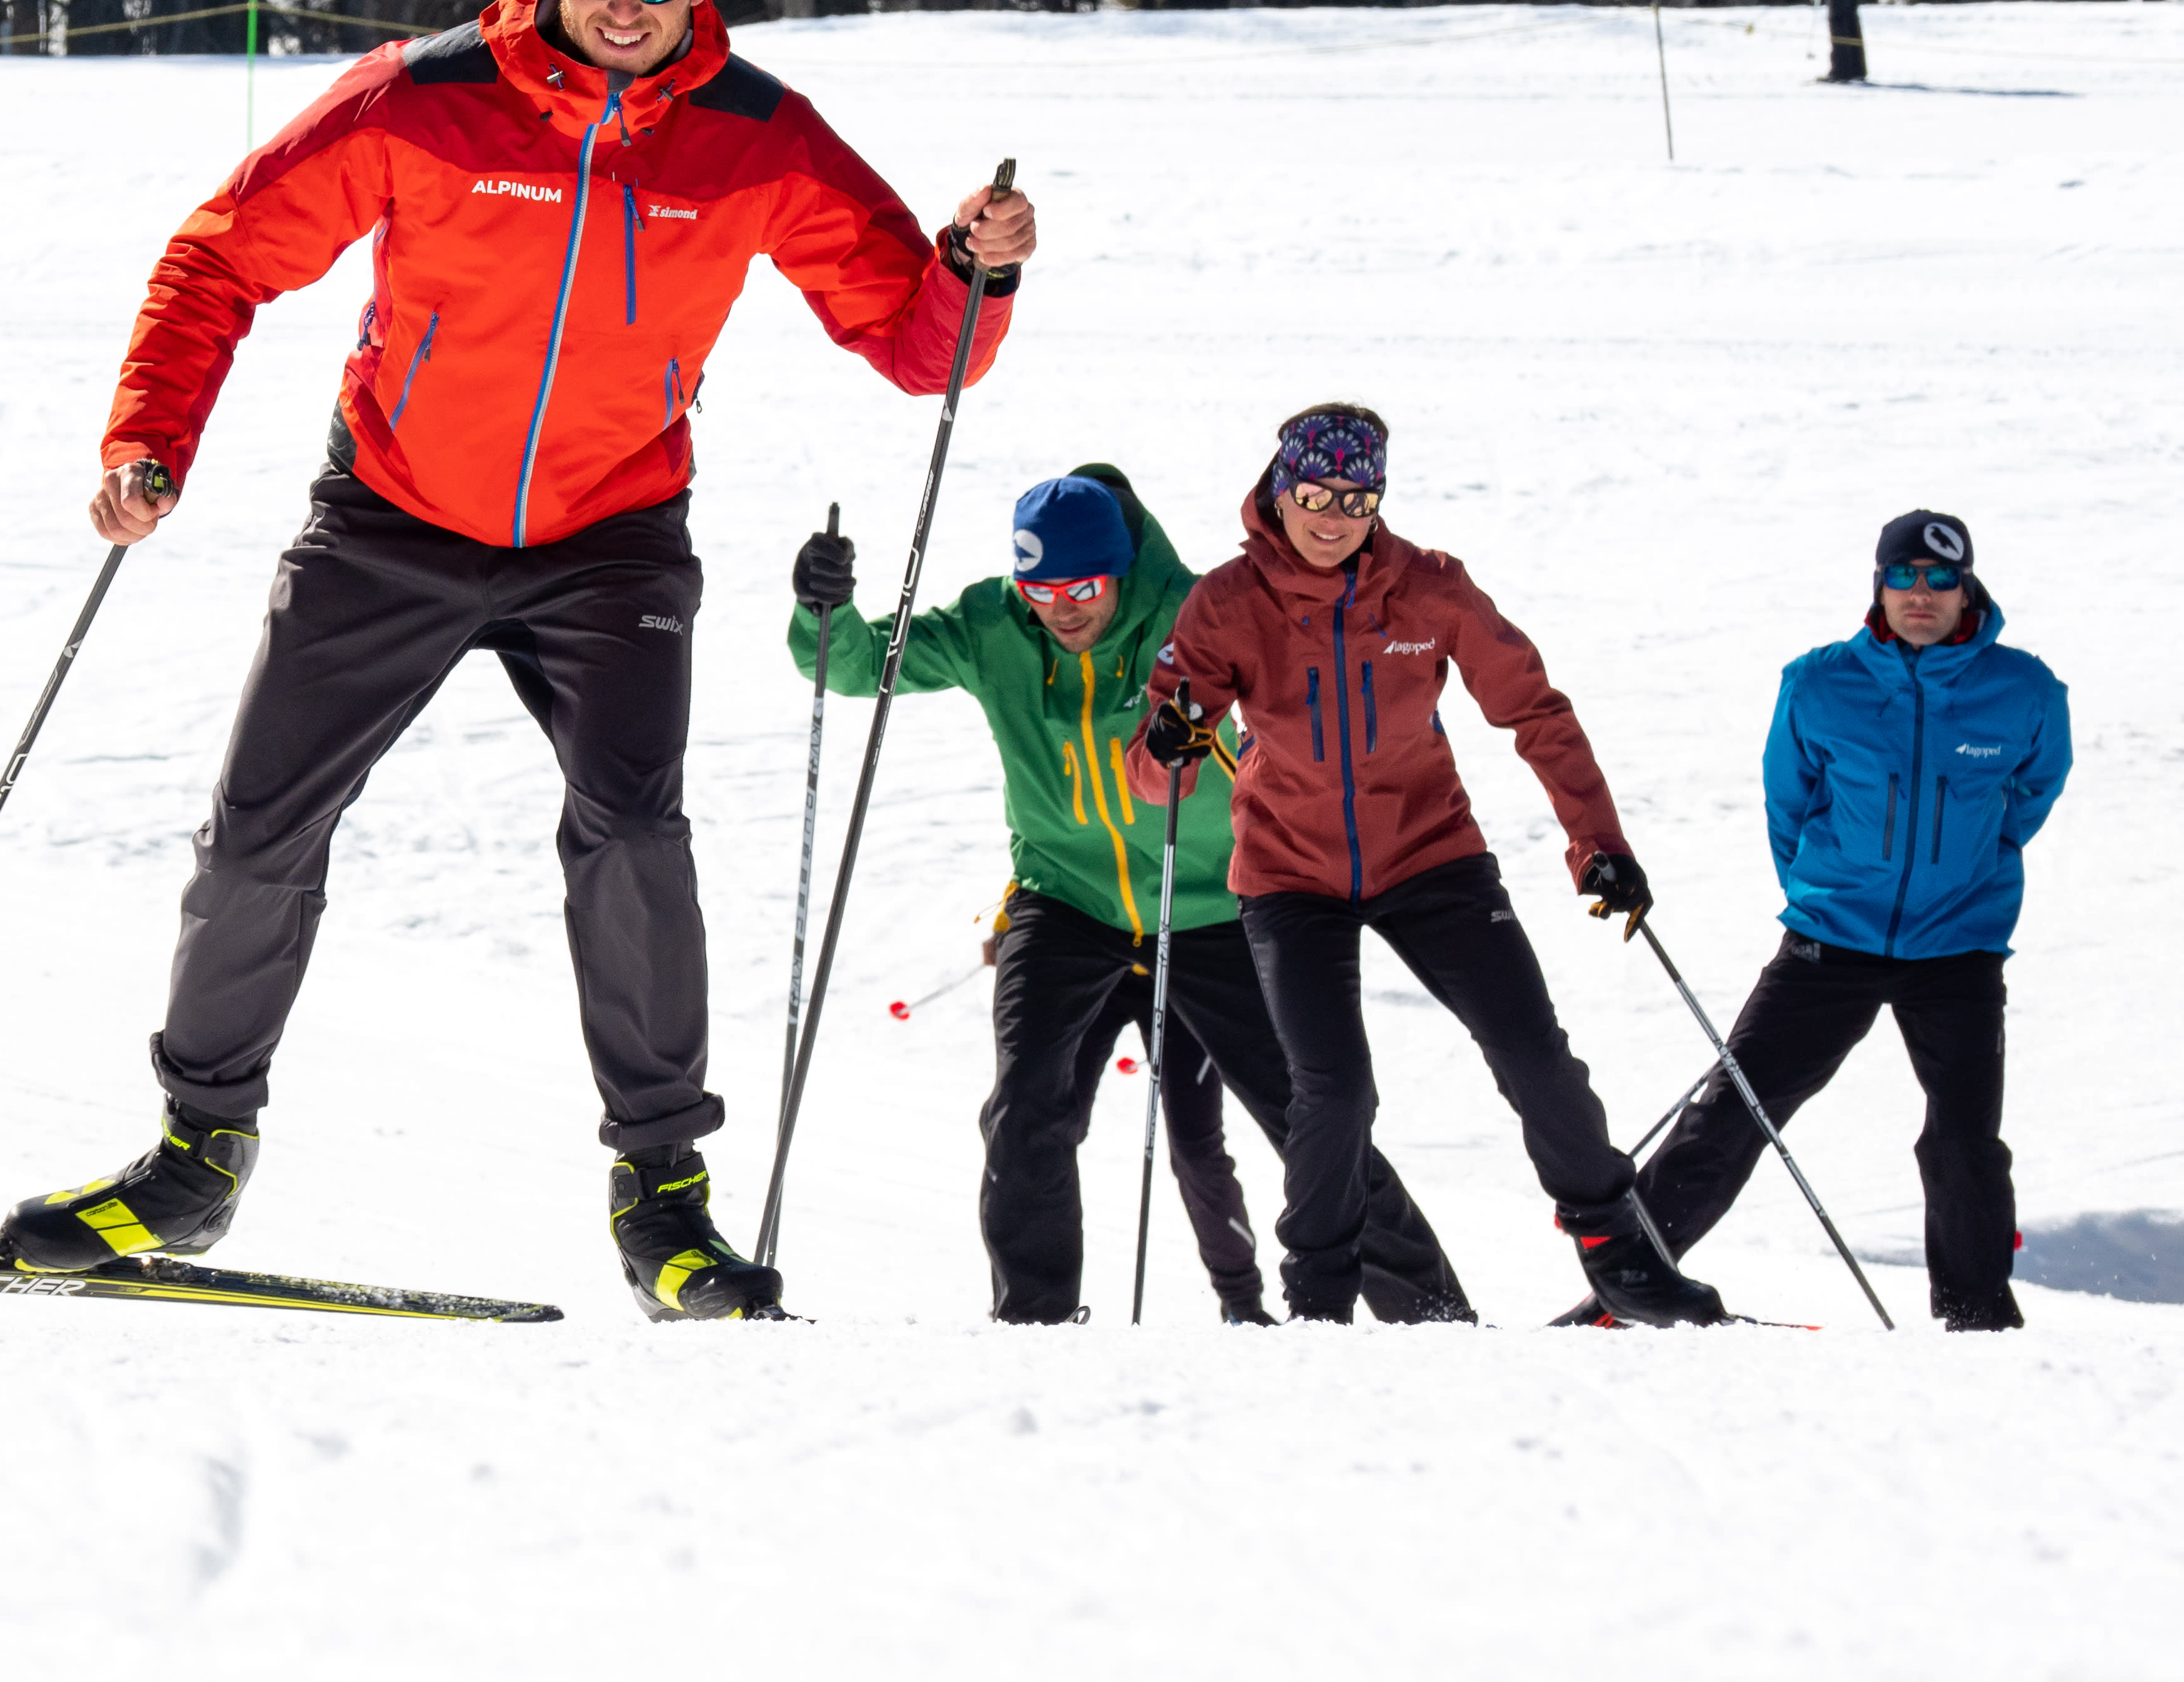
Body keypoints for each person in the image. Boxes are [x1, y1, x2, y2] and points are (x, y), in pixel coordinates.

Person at [0, 0, 1038, 1320]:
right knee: (259, 832)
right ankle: (196, 1153)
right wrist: (150, 441)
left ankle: (663, 1203)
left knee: (632, 840)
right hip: (392, 514)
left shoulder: (757, 135)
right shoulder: (419, 100)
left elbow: (917, 346)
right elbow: (218, 256)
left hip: (609, 535)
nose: (627, 3)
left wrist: (974, 269)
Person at [790, 467, 1476, 1327]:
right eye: (1042, 589)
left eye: (1083, 588)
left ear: (1119, 572)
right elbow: (854, 666)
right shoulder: (993, 624)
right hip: (1064, 899)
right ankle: (1034, 1323)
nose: (1062, 609)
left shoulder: (1198, 615)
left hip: (1216, 901)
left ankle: (1433, 1315)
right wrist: (822, 611)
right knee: (1025, 1105)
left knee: (1311, 1115)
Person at [1132, 405, 1727, 1326]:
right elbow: (1152, 771)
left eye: (1357, 499)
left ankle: (1622, 1257)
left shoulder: (1430, 588)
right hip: (1290, 875)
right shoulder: (1228, 601)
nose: (1334, 517)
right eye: (1316, 495)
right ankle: (1320, 1297)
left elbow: (1535, 712)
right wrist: (1169, 743)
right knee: (1334, 1089)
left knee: (1531, 1051)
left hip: (1430, 854)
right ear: (1281, 491)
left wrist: (1599, 845)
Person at [1582, 513, 2070, 1331]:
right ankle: (1627, 1293)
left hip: (1959, 947)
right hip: (1831, 940)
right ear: (1879, 585)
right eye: (1903, 576)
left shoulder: (2024, 691)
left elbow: (2031, 795)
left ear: (1967, 589)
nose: (1921, 594)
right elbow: (1789, 804)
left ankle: (1978, 1320)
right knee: (1733, 1112)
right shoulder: (1819, 683)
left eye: (1940, 579)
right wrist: (1829, 889)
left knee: (1965, 1142)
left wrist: (1967, 872)